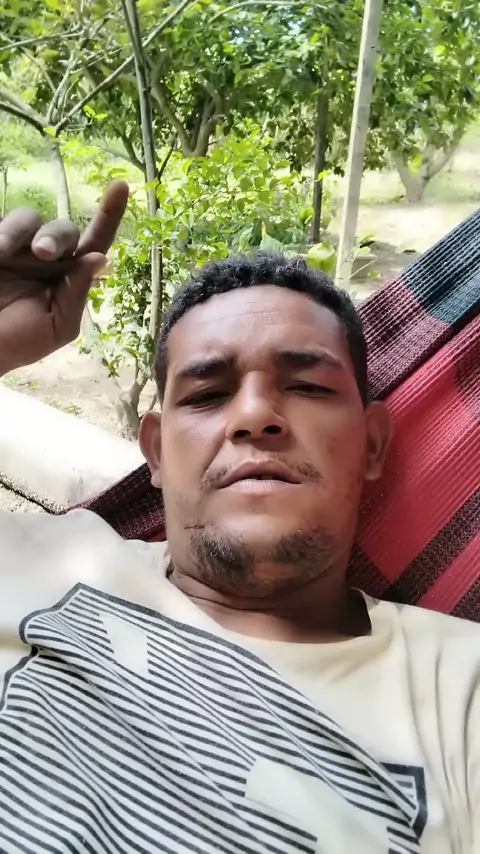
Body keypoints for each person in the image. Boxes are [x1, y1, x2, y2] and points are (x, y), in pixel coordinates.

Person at [0, 182, 478, 854]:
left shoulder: (459, 691)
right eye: (207, 394)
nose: (254, 416)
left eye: (307, 386)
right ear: (156, 452)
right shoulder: (31, 557)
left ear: (373, 444)